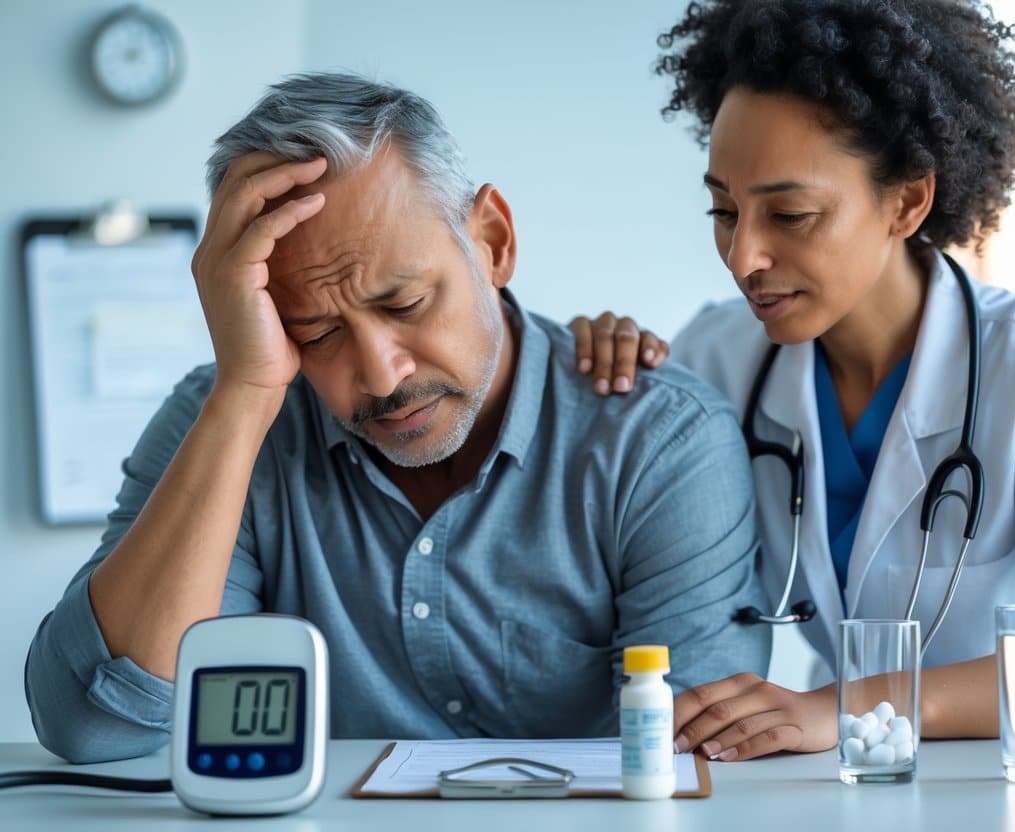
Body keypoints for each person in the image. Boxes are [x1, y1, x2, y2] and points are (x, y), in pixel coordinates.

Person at [24, 72, 770, 764]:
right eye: (316, 333)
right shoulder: (224, 421)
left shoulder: (659, 440)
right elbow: (98, 728)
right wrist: (245, 394)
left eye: (404, 303)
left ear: (493, 242)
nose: (381, 374)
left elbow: (698, 760)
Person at [569, 0, 1015, 761]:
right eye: (722, 210)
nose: (742, 256)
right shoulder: (716, 355)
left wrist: (839, 708)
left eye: (788, 214)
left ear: (907, 200)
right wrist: (604, 362)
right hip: (837, 782)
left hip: (993, 783)